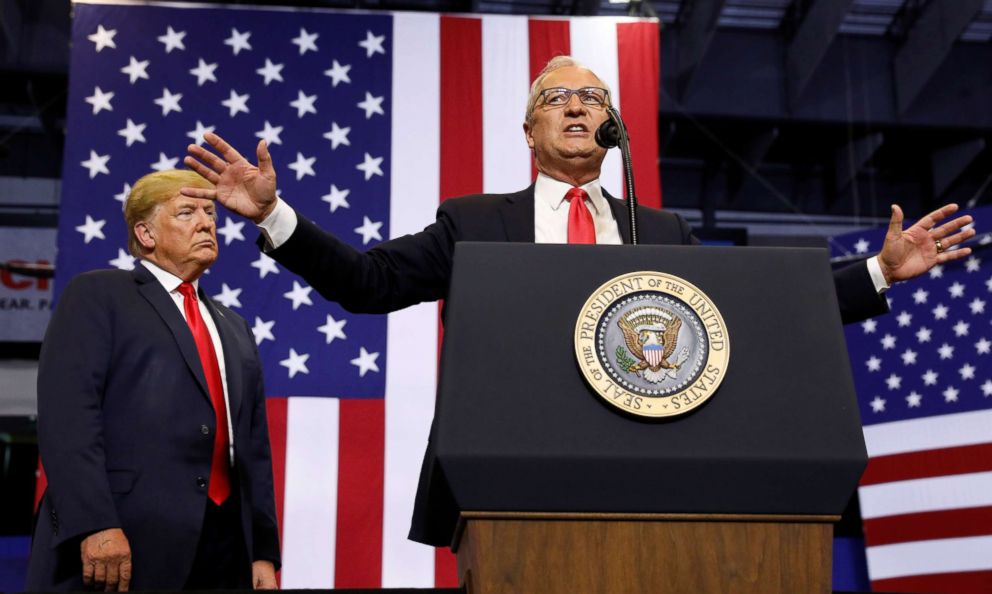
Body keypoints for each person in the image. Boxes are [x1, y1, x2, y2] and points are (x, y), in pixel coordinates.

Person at [182, 57, 974, 543]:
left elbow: (752, 312)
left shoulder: (654, 228)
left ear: (611, 127)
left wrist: (877, 272)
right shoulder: (475, 220)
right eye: (558, 98)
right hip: (507, 476)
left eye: (592, 100)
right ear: (529, 130)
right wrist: (274, 216)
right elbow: (367, 284)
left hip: (659, 475)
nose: (577, 108)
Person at [27, 170, 281, 590]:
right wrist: (95, 523)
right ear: (145, 233)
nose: (206, 223)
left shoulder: (234, 326)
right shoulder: (99, 295)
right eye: (187, 212)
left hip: (225, 547)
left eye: (210, 213)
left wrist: (263, 552)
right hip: (123, 538)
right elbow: (68, 419)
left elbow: (254, 447)